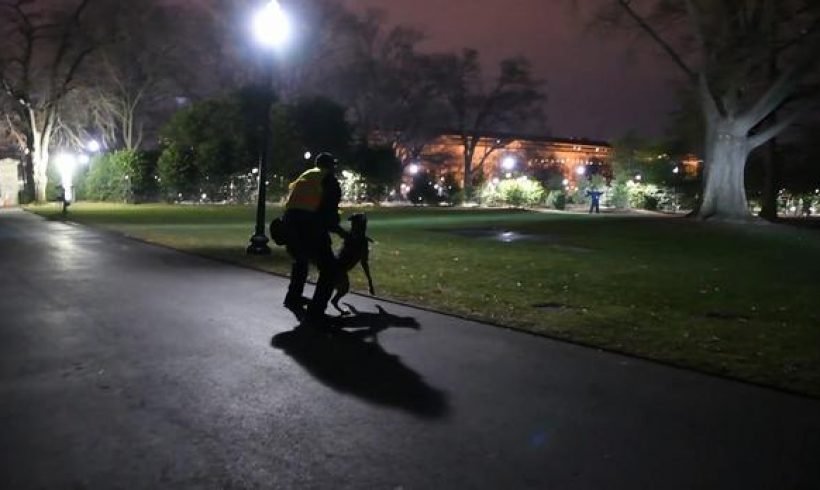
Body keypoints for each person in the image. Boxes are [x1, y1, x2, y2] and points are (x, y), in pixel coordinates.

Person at [282, 152, 348, 325]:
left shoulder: (306, 176)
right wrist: (341, 232)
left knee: (300, 260)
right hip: (309, 226)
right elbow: (328, 213)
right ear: (330, 166)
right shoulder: (329, 180)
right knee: (329, 270)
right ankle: (316, 311)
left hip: (289, 224)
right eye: (334, 165)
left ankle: (293, 297)